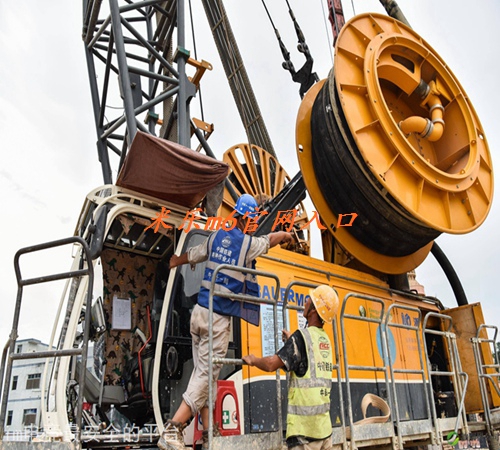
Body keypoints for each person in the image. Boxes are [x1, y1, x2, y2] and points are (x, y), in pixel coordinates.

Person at [158, 193, 295, 450]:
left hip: (198, 314)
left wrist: (176, 261)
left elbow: (195, 254)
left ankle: (210, 434)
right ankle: (173, 428)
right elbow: (270, 240)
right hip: (216, 319)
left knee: (205, 374)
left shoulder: (216, 236)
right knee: (206, 374)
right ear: (249, 219)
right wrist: (286, 235)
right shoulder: (246, 244)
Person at [243, 285, 339, 450]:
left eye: (310, 299)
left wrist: (254, 360)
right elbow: (308, 361)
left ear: (314, 310)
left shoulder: (301, 338)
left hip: (305, 435)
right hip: (324, 431)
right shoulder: (325, 340)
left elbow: (271, 364)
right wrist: (292, 342)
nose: (306, 301)